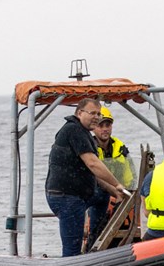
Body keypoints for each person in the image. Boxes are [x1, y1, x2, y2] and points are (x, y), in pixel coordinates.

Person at [45, 98, 125, 257]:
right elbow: (93, 164)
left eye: (99, 114)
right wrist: (117, 184)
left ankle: (94, 240)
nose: (96, 117)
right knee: (72, 248)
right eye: (92, 113)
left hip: (80, 194)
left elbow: (93, 174)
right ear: (79, 113)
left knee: (102, 195)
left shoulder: (84, 133)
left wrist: (114, 191)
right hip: (66, 197)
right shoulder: (73, 130)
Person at [85, 106, 134, 243]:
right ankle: (93, 242)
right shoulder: (89, 148)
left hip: (121, 196)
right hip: (97, 195)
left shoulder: (120, 147)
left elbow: (130, 174)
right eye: (101, 125)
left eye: (108, 124)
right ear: (94, 127)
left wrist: (128, 190)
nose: (105, 128)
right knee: (98, 216)